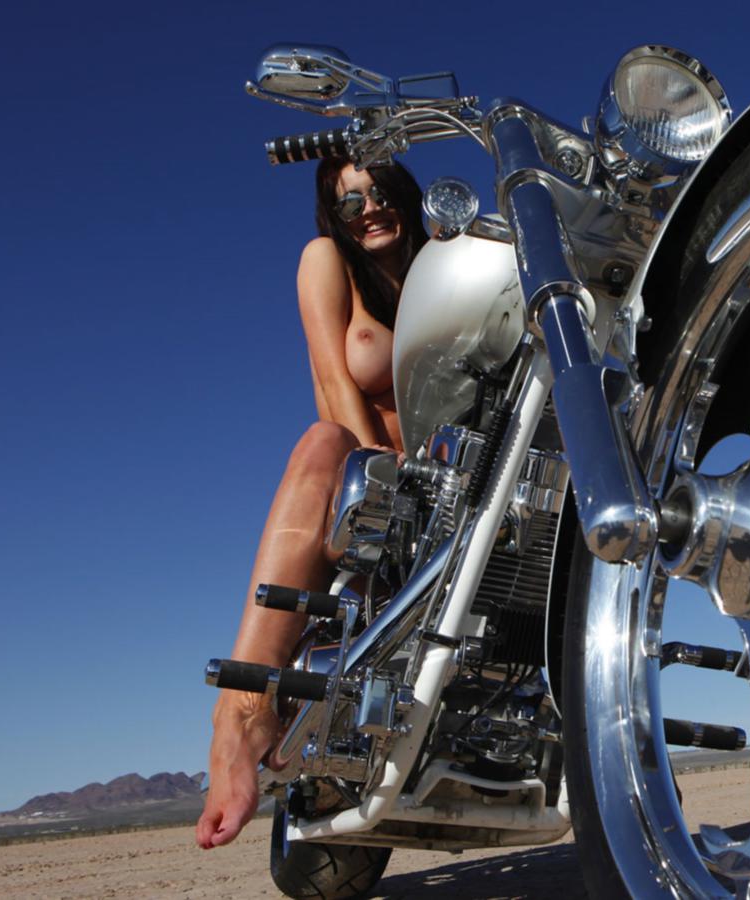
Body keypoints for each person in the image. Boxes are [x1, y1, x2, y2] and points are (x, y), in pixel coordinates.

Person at [196, 157, 428, 850]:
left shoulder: (447, 263)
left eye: (379, 192)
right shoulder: (328, 261)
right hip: (374, 496)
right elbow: (333, 381)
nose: (369, 208)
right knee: (323, 440)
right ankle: (241, 717)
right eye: (350, 201)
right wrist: (385, 476)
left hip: (463, 493)